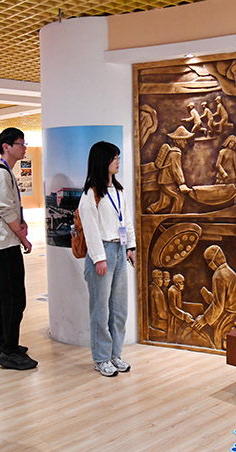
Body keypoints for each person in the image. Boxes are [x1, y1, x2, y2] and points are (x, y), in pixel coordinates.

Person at [79, 141, 136, 377]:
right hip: (102, 252)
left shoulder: (119, 191)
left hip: (120, 250)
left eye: (118, 157)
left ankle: (115, 354)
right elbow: (90, 229)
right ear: (103, 161)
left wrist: (130, 246)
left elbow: (126, 220)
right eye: (114, 158)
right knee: (100, 310)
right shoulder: (90, 194)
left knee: (119, 308)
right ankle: (101, 358)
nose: (118, 161)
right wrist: (99, 258)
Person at [0, 128, 37, 370]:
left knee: (3, 295)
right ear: (6, 146)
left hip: (3, 242)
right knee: (14, 298)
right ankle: (9, 350)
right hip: (3, 244)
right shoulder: (0, 174)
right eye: (20, 143)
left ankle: (1, 342)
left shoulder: (3, 172)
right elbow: (4, 209)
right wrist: (22, 237)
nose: (24, 148)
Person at [192, 245, 236, 350]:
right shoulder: (231, 272)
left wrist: (204, 319)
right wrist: (209, 296)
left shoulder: (219, 275)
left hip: (225, 318)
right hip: (233, 316)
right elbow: (226, 299)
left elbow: (218, 306)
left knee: (218, 344)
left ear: (213, 261)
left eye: (208, 262)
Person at [146, 126, 193, 214]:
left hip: (163, 180)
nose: (185, 142)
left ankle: (151, 210)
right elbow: (176, 169)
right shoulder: (176, 153)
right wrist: (181, 184)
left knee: (165, 202)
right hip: (168, 181)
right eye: (184, 140)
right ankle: (174, 218)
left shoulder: (171, 151)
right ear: (177, 140)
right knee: (179, 197)